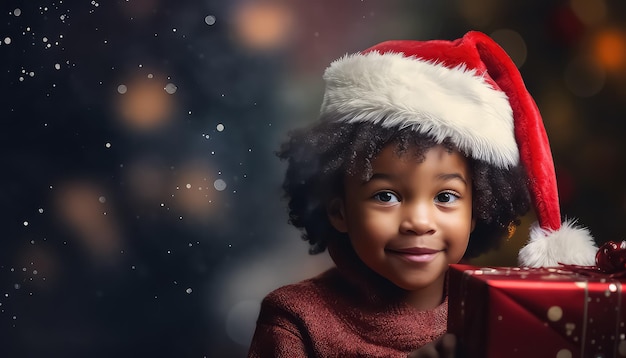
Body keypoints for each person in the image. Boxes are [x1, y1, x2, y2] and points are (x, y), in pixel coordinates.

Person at [248, 31, 597, 357]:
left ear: (478, 209)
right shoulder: (295, 320)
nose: (418, 221)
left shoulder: (505, 316)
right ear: (339, 210)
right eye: (386, 196)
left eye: (445, 196)